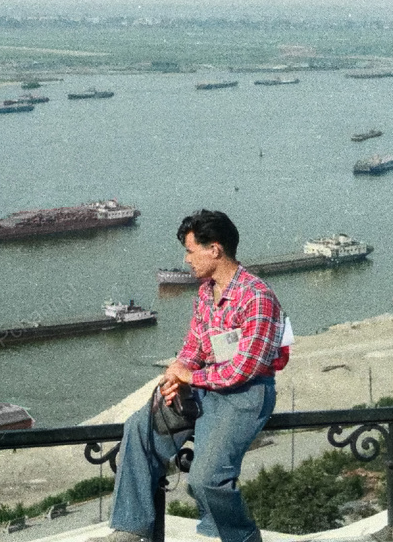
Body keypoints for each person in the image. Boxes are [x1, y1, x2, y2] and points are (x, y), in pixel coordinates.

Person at [107, 210, 285, 542]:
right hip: (203, 388)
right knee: (139, 429)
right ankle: (131, 529)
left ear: (214, 249)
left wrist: (190, 377)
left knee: (206, 478)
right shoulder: (205, 292)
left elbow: (243, 369)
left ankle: (243, 538)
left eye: (190, 251)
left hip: (244, 396)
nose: (186, 260)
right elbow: (194, 346)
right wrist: (176, 375)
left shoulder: (257, 297)